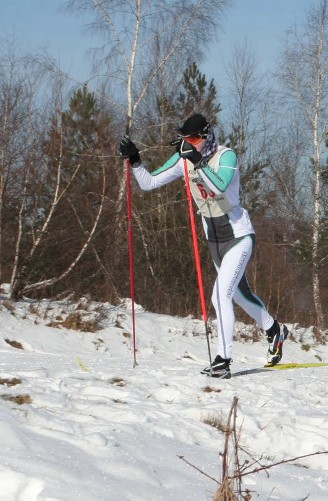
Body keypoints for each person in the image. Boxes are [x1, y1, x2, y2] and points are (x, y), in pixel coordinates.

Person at [118, 114, 288, 378]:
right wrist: (136, 160)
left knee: (220, 295)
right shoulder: (184, 158)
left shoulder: (226, 156)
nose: (190, 143)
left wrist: (196, 161)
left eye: (195, 138)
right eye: (187, 139)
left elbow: (219, 187)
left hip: (239, 236)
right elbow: (149, 183)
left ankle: (223, 360)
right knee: (238, 295)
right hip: (214, 240)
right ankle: (274, 329)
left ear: (207, 136)